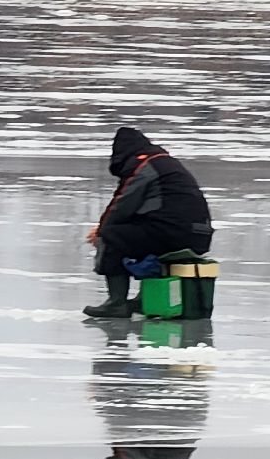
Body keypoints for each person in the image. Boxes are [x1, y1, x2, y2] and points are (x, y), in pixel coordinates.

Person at [83, 126, 214, 318]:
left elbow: (122, 204)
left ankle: (116, 303)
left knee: (112, 236)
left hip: (173, 233)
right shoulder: (167, 164)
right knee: (142, 235)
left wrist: (101, 231)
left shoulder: (144, 166)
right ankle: (144, 299)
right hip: (198, 235)